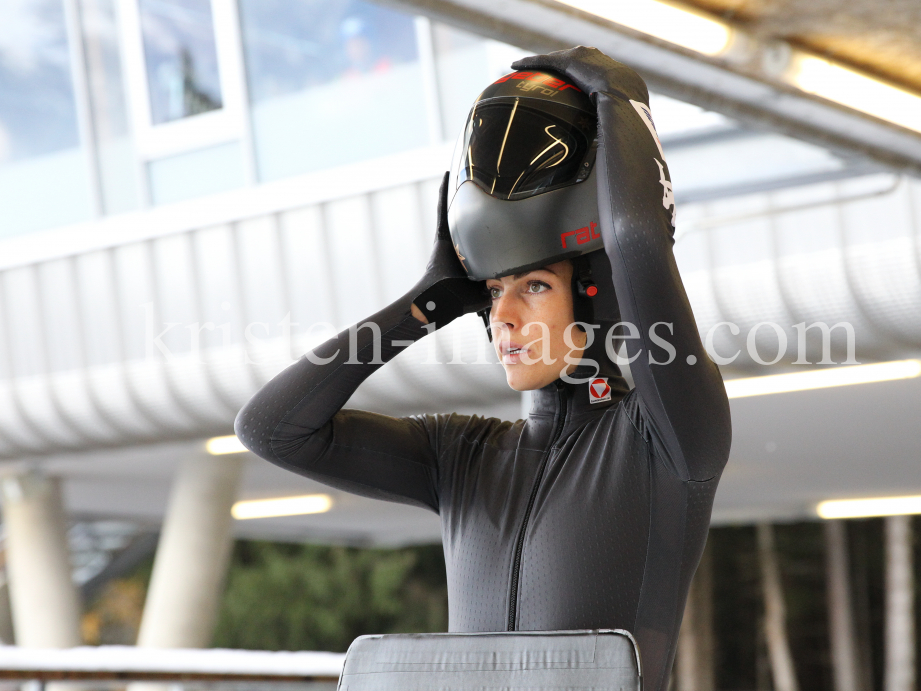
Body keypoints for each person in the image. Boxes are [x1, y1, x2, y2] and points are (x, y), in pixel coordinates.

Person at [235, 47, 731, 690]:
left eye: (533, 287)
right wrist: (426, 303)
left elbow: (635, 239)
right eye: (494, 293)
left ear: (596, 295)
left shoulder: (665, 440)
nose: (503, 317)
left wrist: (618, 94)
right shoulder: (461, 455)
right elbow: (271, 429)